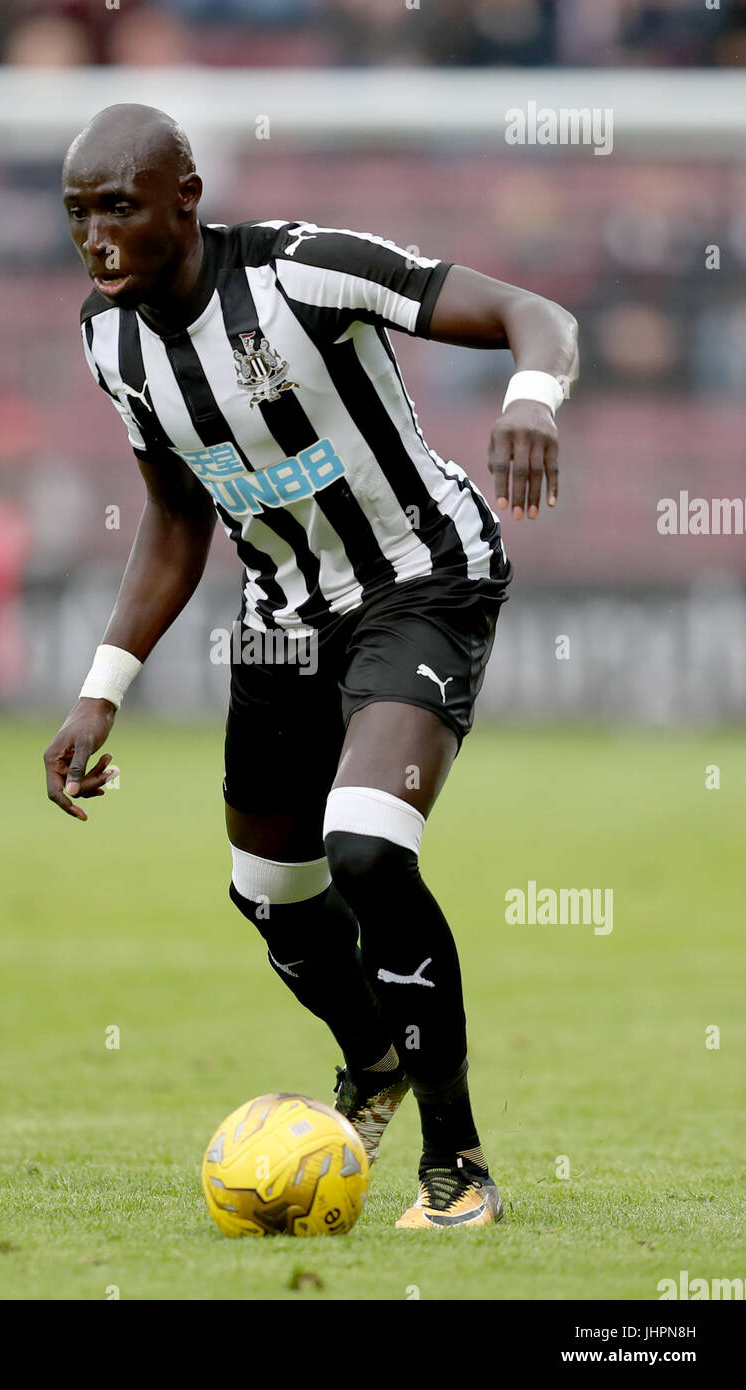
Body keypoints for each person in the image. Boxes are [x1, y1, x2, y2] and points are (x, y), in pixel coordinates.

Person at [43, 104, 578, 1230]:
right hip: (281, 617)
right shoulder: (108, 339)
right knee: (274, 897)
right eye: (78, 215)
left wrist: (532, 397)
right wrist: (101, 689)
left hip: (419, 580)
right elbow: (176, 520)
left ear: (185, 198)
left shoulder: (306, 270)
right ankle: (373, 1060)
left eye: (119, 209)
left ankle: (456, 1163)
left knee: (369, 852)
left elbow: (536, 313)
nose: (95, 238)